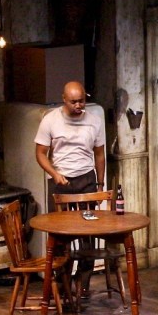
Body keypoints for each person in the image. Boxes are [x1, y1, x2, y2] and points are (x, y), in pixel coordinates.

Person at [35, 80, 106, 292]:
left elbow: (99, 154)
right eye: (73, 101)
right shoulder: (50, 120)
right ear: (64, 100)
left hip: (86, 180)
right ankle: (62, 283)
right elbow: (40, 154)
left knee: (88, 234)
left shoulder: (94, 121)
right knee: (60, 235)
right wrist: (54, 174)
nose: (78, 105)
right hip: (61, 182)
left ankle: (83, 283)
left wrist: (100, 185)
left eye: (81, 101)